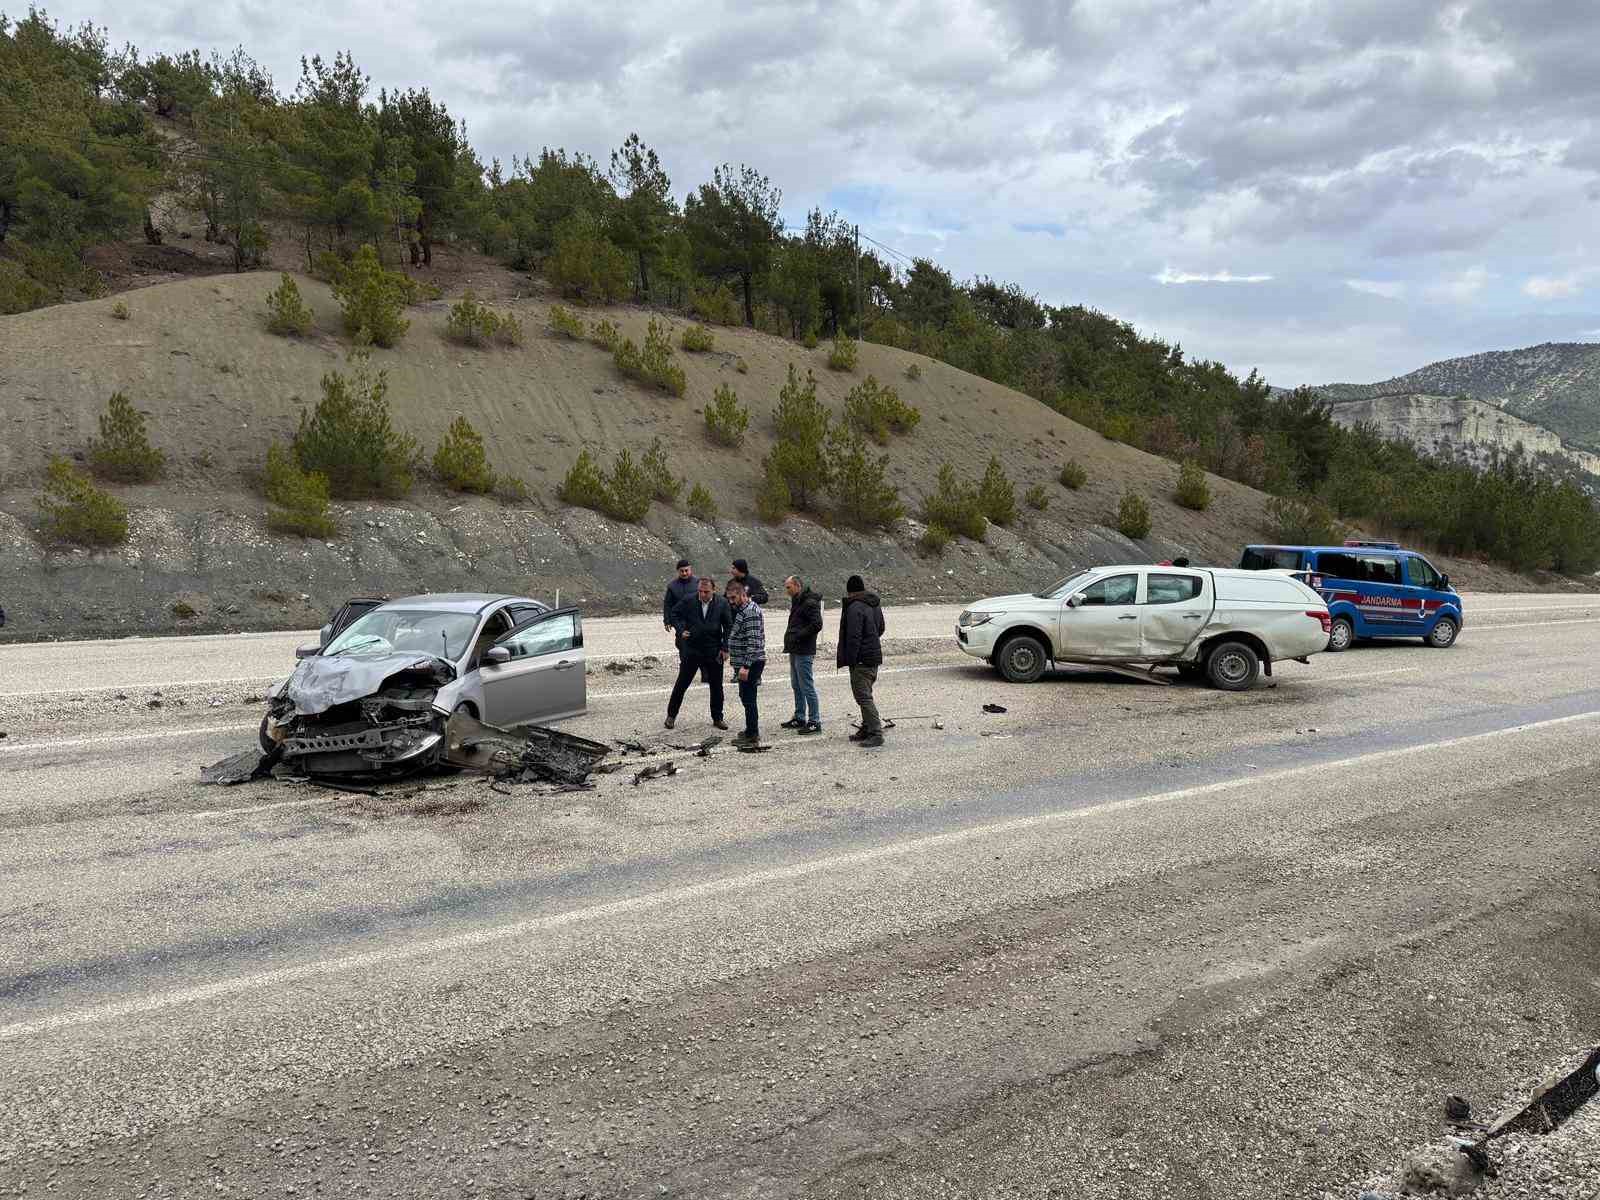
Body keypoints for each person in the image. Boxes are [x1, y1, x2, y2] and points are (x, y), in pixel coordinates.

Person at [665, 577, 731, 731]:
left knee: (716, 686)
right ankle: (671, 716)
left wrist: (725, 647)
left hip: (713, 650)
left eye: (706, 592)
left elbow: (728, 626)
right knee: (682, 683)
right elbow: (674, 614)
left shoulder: (722, 603)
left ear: (713, 590)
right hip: (692, 649)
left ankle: (717, 718)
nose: (702, 594)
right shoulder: (689, 600)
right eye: (700, 591)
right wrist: (681, 630)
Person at [836, 573, 886, 748]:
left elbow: (853, 637)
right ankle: (866, 728)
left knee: (863, 697)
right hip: (872, 656)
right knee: (864, 695)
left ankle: (876, 733)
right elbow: (881, 628)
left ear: (850, 592)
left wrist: (852, 659)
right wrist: (870, 642)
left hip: (861, 660)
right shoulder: (874, 604)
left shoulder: (854, 607)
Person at [725, 579, 767, 745]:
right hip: (745, 662)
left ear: (743, 594)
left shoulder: (750, 611)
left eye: (734, 598)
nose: (731, 601)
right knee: (746, 697)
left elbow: (754, 642)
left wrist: (746, 666)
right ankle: (750, 730)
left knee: (749, 699)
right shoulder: (743, 609)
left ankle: (753, 735)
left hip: (751, 662)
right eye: (729, 598)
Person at [780, 575, 823, 734]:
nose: (787, 591)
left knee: (806, 686)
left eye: (788, 587)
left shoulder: (809, 602)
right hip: (795, 649)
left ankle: (814, 720)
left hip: (804, 650)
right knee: (796, 684)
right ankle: (799, 716)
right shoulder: (798, 600)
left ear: (797, 586)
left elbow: (817, 624)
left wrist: (799, 635)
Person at [662, 559, 698, 634]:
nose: (684, 573)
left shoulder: (698, 583)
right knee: (682, 643)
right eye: (682, 571)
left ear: (690, 569)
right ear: (678, 571)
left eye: (686, 570)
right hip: (679, 622)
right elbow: (668, 605)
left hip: (696, 621)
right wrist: (667, 621)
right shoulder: (672, 586)